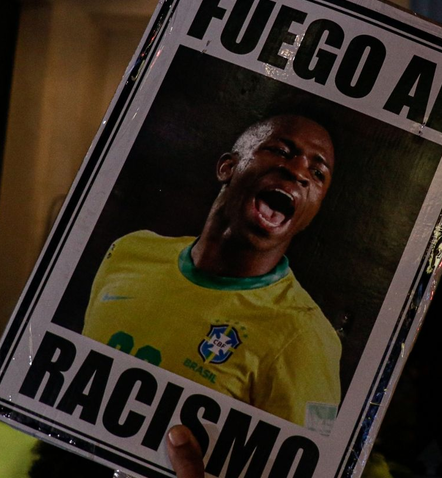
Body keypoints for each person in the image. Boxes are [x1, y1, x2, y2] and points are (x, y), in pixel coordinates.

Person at [83, 115, 342, 432]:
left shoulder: (305, 338)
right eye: (282, 151)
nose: (298, 171)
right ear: (227, 168)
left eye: (317, 174)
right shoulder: (130, 252)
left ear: (312, 212)